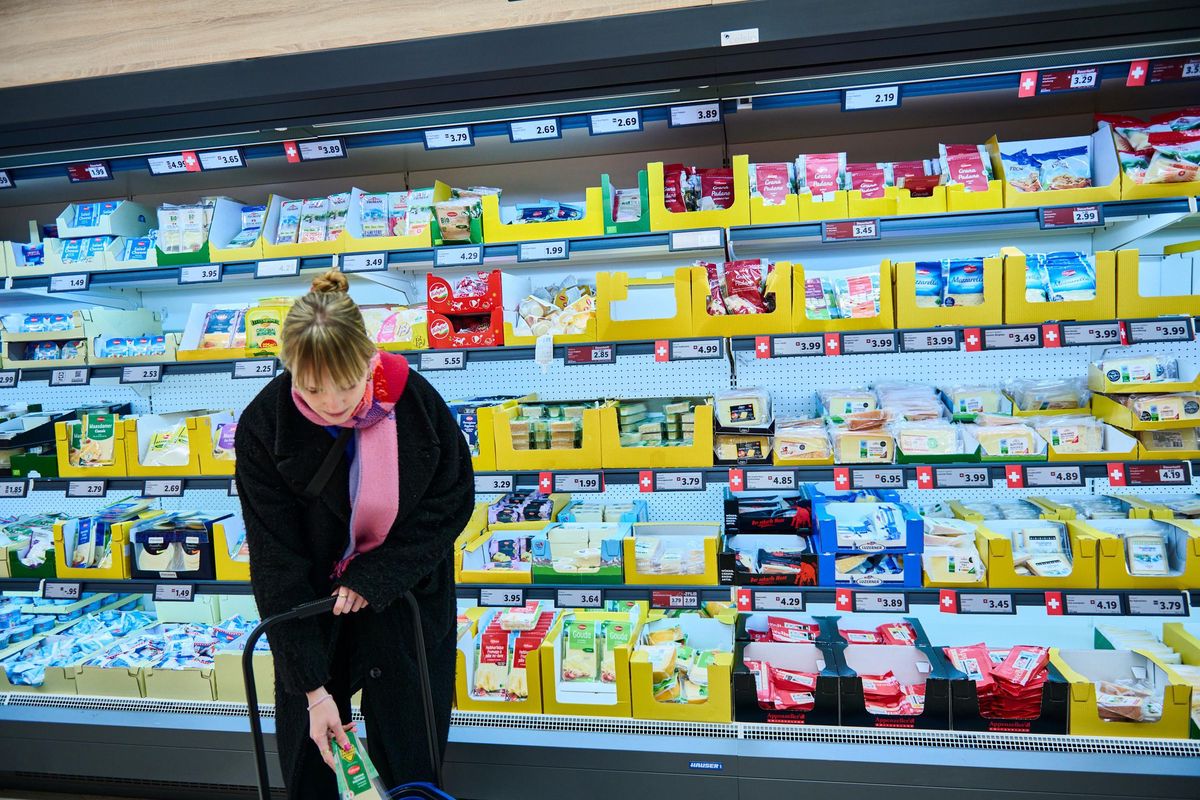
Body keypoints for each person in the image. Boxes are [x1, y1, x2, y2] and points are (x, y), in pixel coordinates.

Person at [234, 269, 474, 799]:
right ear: (288, 367)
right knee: (315, 761)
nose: (333, 403)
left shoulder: (413, 402)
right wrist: (313, 691)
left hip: (405, 602)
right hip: (314, 612)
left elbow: (452, 498)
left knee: (411, 759)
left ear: (369, 359)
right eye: (312, 387)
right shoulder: (263, 427)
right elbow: (276, 561)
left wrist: (377, 575)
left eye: (347, 383)